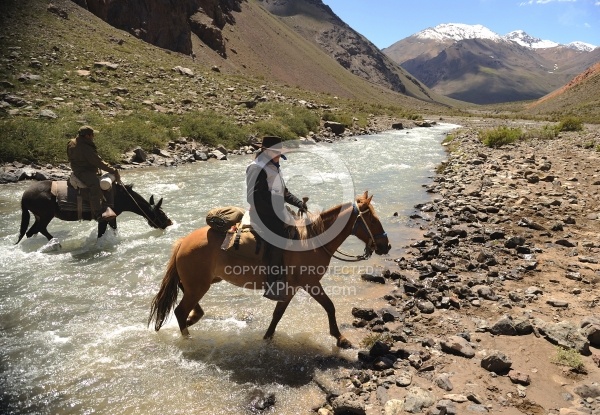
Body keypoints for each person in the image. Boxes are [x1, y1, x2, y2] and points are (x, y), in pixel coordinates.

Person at [246, 136, 307, 301]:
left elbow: (283, 192)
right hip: (262, 214)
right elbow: (255, 199)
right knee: (279, 237)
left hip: (277, 211)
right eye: (277, 152)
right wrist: (278, 215)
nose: (280, 155)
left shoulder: (273, 166)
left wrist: (298, 203)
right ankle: (273, 284)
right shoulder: (256, 168)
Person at [67, 125, 121, 222]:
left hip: (78, 168)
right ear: (87, 136)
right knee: (95, 184)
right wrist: (113, 170)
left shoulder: (72, 142)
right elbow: (98, 162)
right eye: (92, 135)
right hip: (83, 171)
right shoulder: (85, 147)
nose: (93, 137)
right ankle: (97, 212)